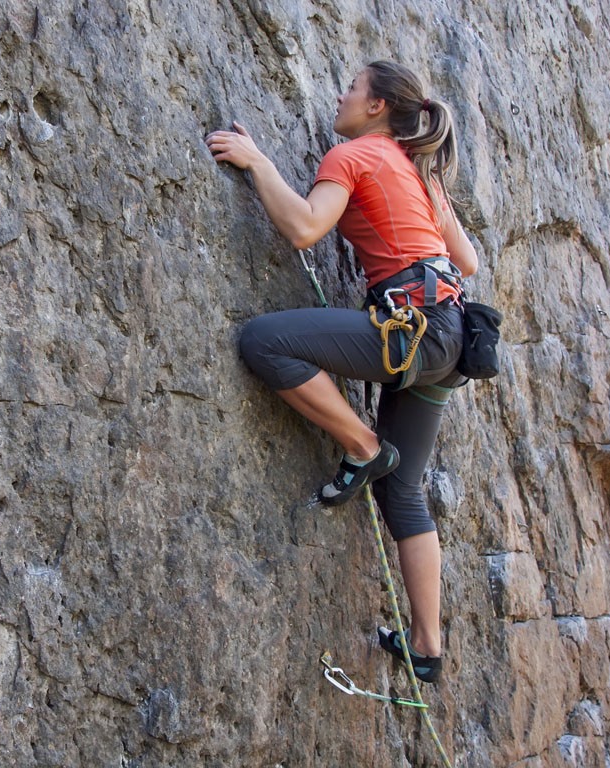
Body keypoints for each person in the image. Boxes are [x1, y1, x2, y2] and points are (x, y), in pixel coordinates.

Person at [204, 60, 479, 683]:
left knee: (264, 341)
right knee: (404, 491)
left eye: (352, 87)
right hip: (449, 336)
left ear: (377, 107)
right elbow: (467, 258)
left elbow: (304, 227)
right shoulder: (416, 170)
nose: (341, 94)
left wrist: (258, 162)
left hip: (413, 330)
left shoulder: (355, 154)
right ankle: (427, 647)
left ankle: (361, 444)